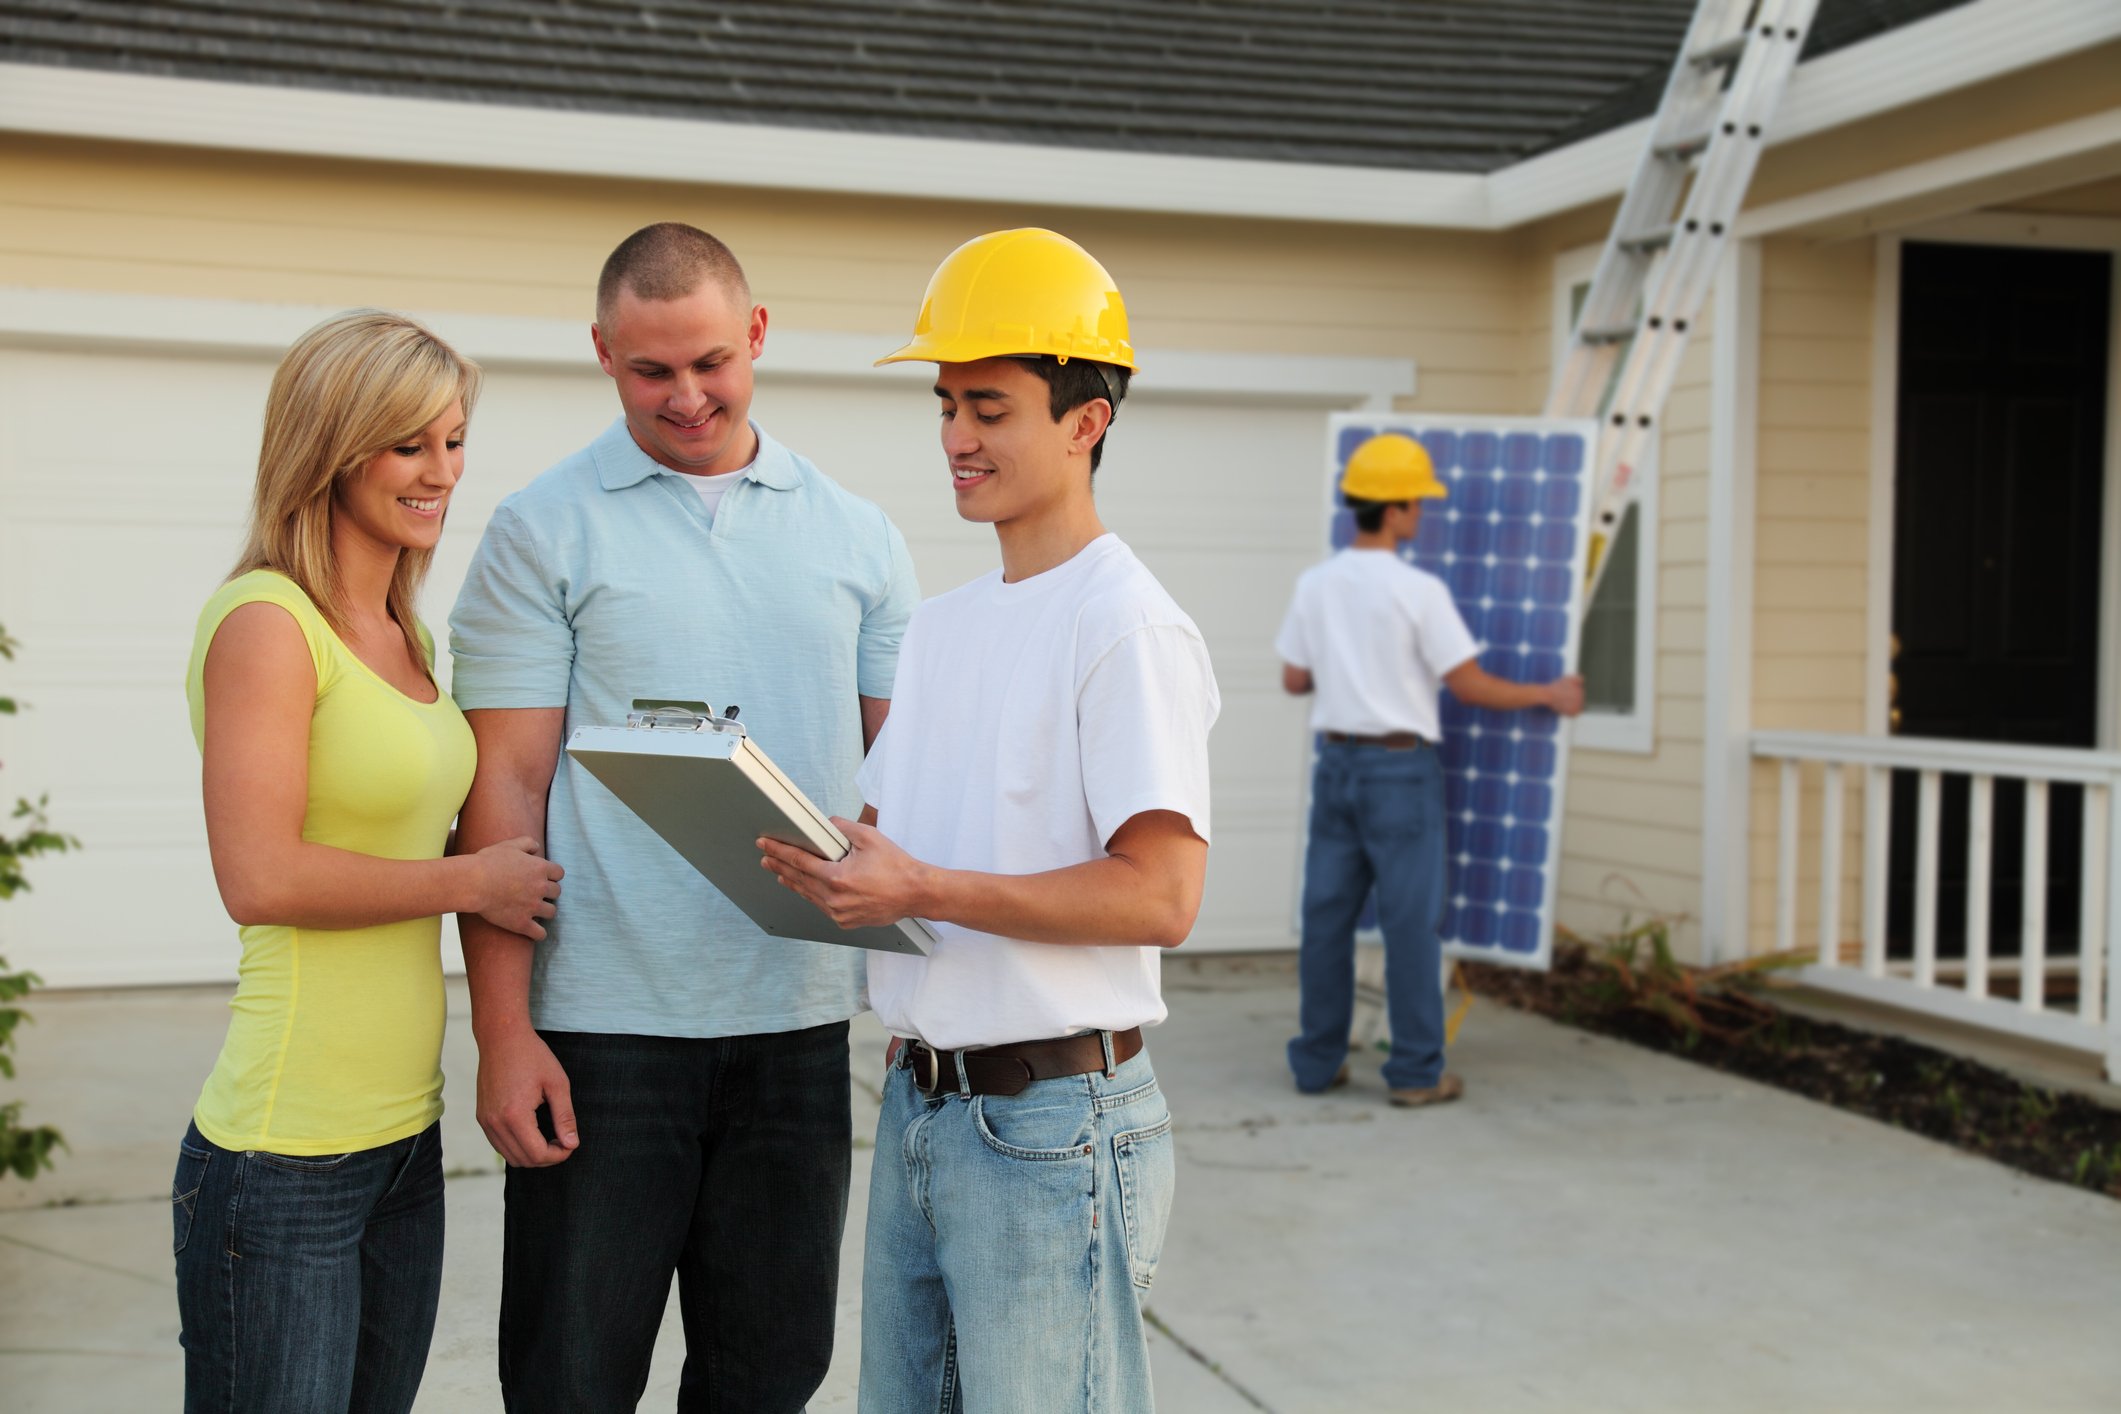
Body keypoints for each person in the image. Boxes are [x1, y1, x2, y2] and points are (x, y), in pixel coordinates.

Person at [447, 222, 919, 1413]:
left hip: (797, 1026)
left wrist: (923, 991)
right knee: (568, 1380)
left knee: (769, 1374)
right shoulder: (541, 529)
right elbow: (502, 791)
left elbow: (906, 783)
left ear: (756, 334)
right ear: (602, 352)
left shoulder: (859, 536)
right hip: (601, 1031)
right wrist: (503, 1031)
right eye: (652, 370)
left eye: (712, 361)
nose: (687, 395)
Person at [759, 227, 1220, 1413]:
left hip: (1055, 1129)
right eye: (947, 405)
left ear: (1086, 421)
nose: (957, 437)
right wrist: (781, 837)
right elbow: (897, 841)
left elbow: (1161, 894)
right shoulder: (945, 624)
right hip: (925, 1108)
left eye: (991, 408)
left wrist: (922, 889)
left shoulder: (1125, 624)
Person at [171, 310, 563, 1413]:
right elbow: (260, 877)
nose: (442, 472)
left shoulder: (406, 636)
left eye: (454, 440)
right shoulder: (266, 623)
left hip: (401, 1139)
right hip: (282, 1153)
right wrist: (472, 881)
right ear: (332, 448)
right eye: (408, 445)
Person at [1277, 431, 1585, 1107]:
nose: (1421, 513)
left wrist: (1350, 670)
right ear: (1392, 510)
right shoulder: (1418, 590)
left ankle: (1316, 1065)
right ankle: (1416, 1074)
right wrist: (1547, 694)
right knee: (1409, 925)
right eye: (1416, 502)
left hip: (1337, 766)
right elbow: (1469, 685)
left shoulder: (1315, 584)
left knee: (1325, 920)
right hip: (1398, 770)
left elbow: (1294, 679)